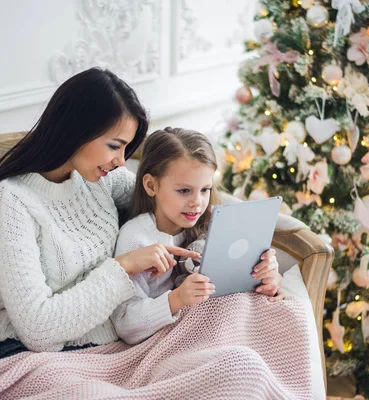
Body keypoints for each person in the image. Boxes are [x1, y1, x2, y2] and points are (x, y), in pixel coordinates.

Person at [0, 68, 199, 360]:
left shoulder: (101, 179)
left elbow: (173, 205)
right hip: (31, 354)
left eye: (126, 148)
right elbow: (37, 329)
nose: (121, 161)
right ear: (76, 130)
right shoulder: (9, 202)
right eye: (114, 146)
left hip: (112, 345)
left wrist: (250, 255)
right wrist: (122, 266)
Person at [111, 127, 283, 345]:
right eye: (184, 191)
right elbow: (125, 324)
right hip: (170, 341)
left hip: (224, 330)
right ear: (151, 185)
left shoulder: (214, 223)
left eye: (205, 190)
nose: (197, 202)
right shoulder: (136, 239)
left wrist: (270, 278)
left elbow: (242, 288)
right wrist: (176, 299)